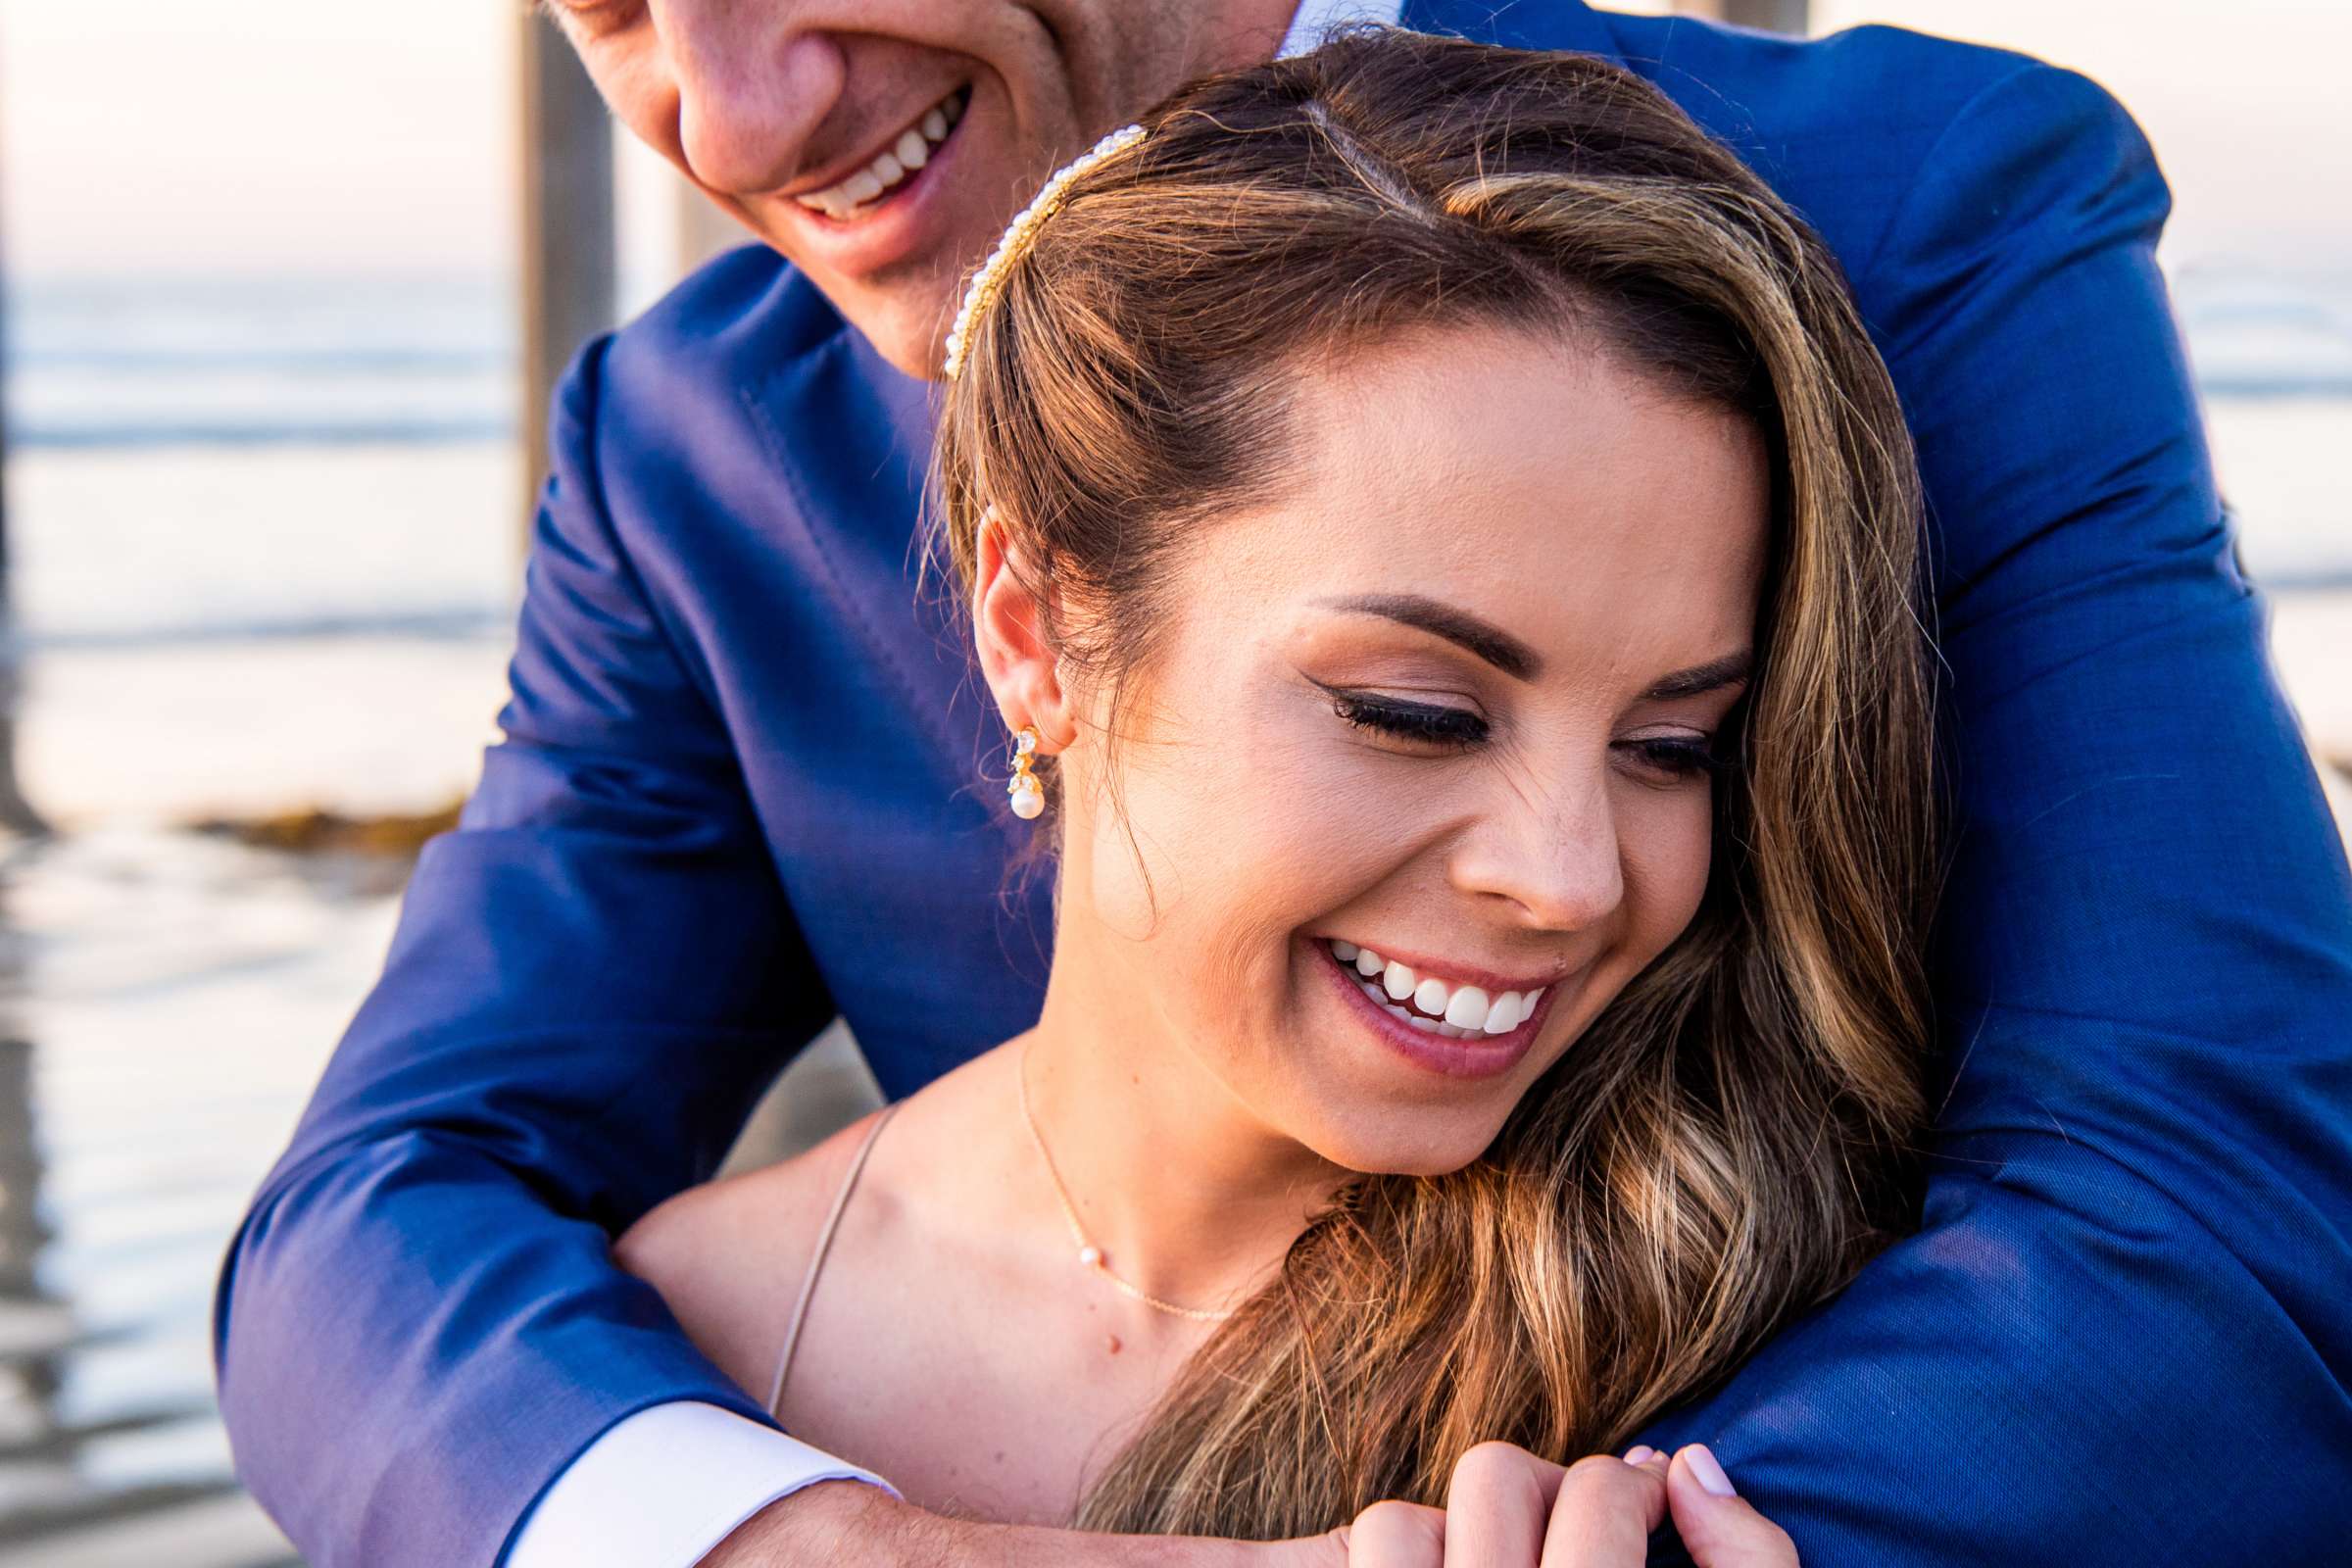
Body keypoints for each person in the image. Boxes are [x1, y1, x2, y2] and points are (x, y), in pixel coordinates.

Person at [213, 2, 2352, 1566]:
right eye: (609, 8)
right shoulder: (694, 446)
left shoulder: (1915, 207)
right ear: (1025, 623)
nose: (731, 108)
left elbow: (2214, 1228)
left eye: (1675, 738)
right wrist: (806, 1542)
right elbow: (384, 1204)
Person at [615, 32, 1937, 1566]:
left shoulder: (1790, 1352)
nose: (1572, 879)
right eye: (1417, 715)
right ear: (1035, 638)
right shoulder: (681, 1348)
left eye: (1673, 745)